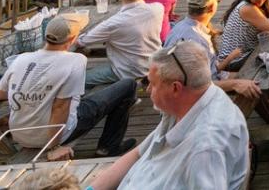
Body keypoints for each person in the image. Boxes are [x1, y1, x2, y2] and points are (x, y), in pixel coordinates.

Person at [90, 41, 250, 190]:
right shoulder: (187, 105)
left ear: (175, 88)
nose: (147, 90)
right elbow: (138, 153)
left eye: (152, 84)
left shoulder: (205, 147)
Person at [0, 12, 137, 161]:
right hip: (52, 137)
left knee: (77, 95)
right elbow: (60, 108)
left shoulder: (21, 58)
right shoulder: (77, 60)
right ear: (72, 39)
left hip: (20, 135)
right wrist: (54, 147)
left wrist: (33, 92)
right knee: (128, 85)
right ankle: (108, 148)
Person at [163, 0, 269, 119]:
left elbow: (210, 72)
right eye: (217, 0)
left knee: (253, 76)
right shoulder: (193, 40)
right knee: (250, 83)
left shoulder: (184, 27)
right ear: (211, 8)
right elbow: (197, 86)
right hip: (192, 98)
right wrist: (236, 84)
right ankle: (234, 127)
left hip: (208, 79)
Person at [76, 0, 164, 86]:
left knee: (79, 81)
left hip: (128, 71)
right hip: (154, 66)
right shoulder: (158, 9)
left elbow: (81, 41)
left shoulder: (113, 23)